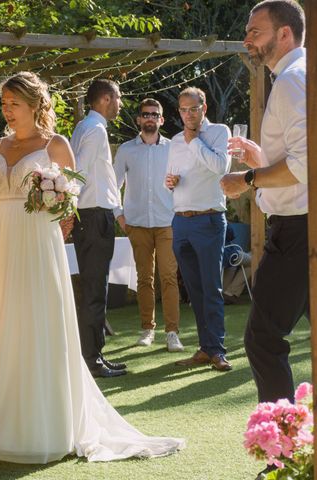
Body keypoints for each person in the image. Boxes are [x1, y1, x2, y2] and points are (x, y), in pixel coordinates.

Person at [0, 71, 184, 464]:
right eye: (4, 103)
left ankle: (46, 423)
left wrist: (55, 200)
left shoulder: (56, 145)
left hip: (36, 243)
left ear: (34, 104)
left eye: (14, 103)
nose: (7, 111)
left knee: (37, 323)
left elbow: (69, 207)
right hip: (0, 242)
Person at [220, 0, 307, 406]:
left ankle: (282, 456)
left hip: (296, 231)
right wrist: (262, 160)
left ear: (284, 34)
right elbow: (301, 159)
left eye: (256, 31)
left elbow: (306, 165)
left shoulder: (292, 80)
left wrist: (247, 179)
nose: (247, 39)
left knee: (262, 340)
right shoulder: (300, 76)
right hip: (308, 227)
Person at [166, 87, 232, 372]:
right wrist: (168, 182)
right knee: (194, 290)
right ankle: (205, 348)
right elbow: (169, 178)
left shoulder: (219, 132)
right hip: (180, 221)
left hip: (209, 220)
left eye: (193, 108)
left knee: (211, 287)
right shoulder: (175, 141)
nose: (188, 114)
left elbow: (221, 166)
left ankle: (217, 350)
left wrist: (194, 142)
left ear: (203, 108)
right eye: (183, 110)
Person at [113, 98, 183, 352]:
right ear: (139, 120)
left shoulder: (173, 148)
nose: (150, 118)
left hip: (167, 223)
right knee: (144, 278)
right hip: (137, 224)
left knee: (169, 278)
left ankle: (172, 333)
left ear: (161, 120)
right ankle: (147, 329)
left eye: (155, 114)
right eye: (146, 114)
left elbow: (183, 181)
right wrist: (120, 217)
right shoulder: (126, 150)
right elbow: (113, 185)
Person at [70, 79, 125, 378]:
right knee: (95, 288)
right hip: (93, 216)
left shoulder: (86, 127)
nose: (120, 104)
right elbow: (78, 171)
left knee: (95, 287)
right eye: (118, 97)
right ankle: (91, 359)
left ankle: (94, 353)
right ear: (105, 99)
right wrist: (70, 210)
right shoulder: (94, 130)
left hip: (92, 214)